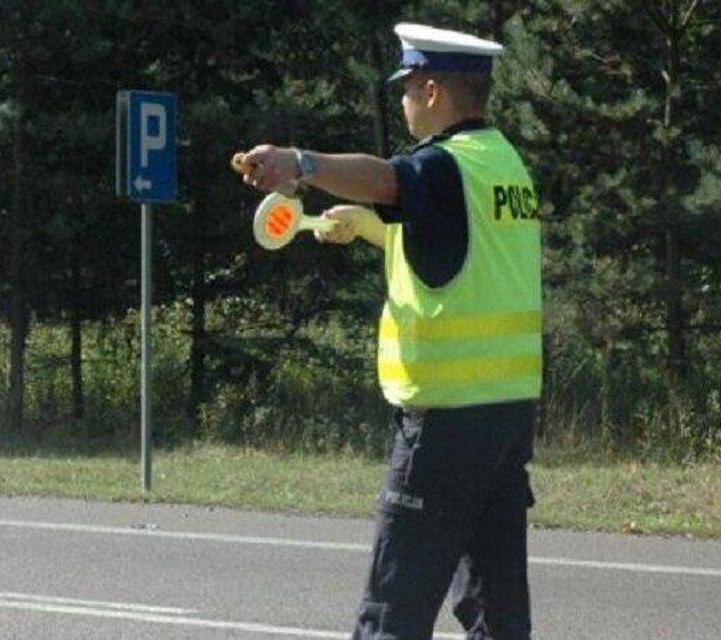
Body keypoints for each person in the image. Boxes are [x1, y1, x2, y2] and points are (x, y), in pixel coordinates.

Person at [237, 22, 542, 640]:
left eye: (406, 88)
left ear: (432, 91)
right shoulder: (504, 164)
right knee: (496, 609)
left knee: (393, 613)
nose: (401, 100)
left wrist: (300, 163)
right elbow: (470, 258)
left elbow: (389, 179)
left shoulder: (441, 165)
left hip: (444, 425)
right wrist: (374, 229)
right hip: (506, 419)